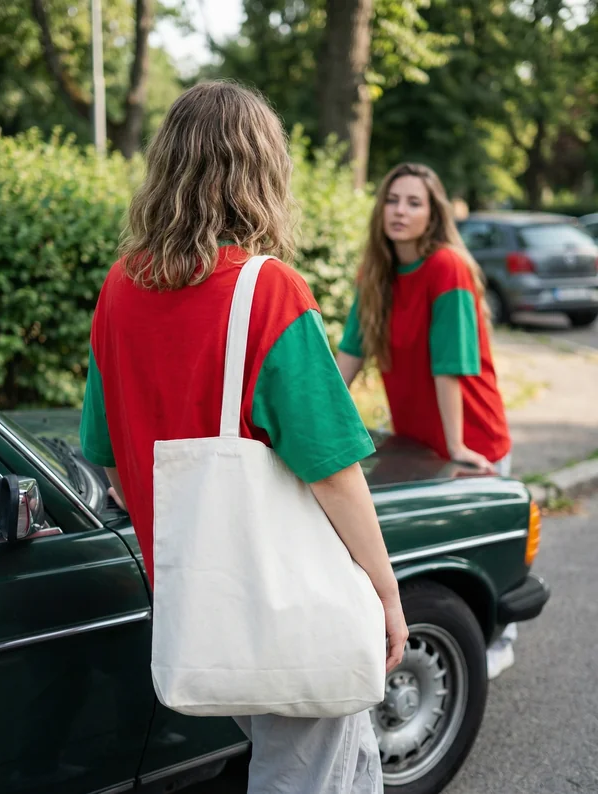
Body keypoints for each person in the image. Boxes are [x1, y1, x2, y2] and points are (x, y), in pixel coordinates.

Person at [80, 81, 408, 794]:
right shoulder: (269, 291)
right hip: (286, 598)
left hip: (198, 602)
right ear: (261, 174)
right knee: (305, 775)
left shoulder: (119, 289)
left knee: (344, 762)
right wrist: (385, 592)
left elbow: (105, 456)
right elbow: (332, 469)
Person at [336, 162, 515, 680]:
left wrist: (457, 443)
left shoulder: (448, 268)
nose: (400, 211)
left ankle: (495, 640)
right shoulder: (376, 273)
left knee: (486, 560)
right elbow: (349, 355)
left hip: (472, 439)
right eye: (393, 199)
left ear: (433, 213)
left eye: (415, 202)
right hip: (418, 443)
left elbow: (451, 362)